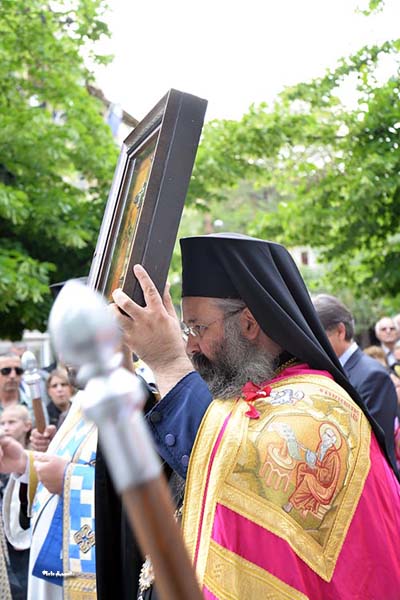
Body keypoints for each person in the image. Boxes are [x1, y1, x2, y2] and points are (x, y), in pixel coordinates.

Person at [101, 233, 400, 600]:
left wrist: (167, 361)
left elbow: (231, 461)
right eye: (185, 329)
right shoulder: (241, 391)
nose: (190, 346)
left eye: (197, 328)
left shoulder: (319, 405)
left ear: (248, 323)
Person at [0, 390, 97, 599]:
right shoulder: (84, 398)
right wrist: (25, 463)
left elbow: (142, 489)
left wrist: (68, 478)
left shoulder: (136, 396)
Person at [313, 293, 398, 474]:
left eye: (318, 337)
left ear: (340, 331)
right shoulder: (333, 369)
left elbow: (371, 445)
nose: (314, 345)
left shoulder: (372, 376)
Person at [0, 406, 32, 600]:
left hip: (28, 535)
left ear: (27, 425)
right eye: (2, 423)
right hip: (6, 538)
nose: (6, 427)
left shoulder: (41, 451)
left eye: (11, 422)